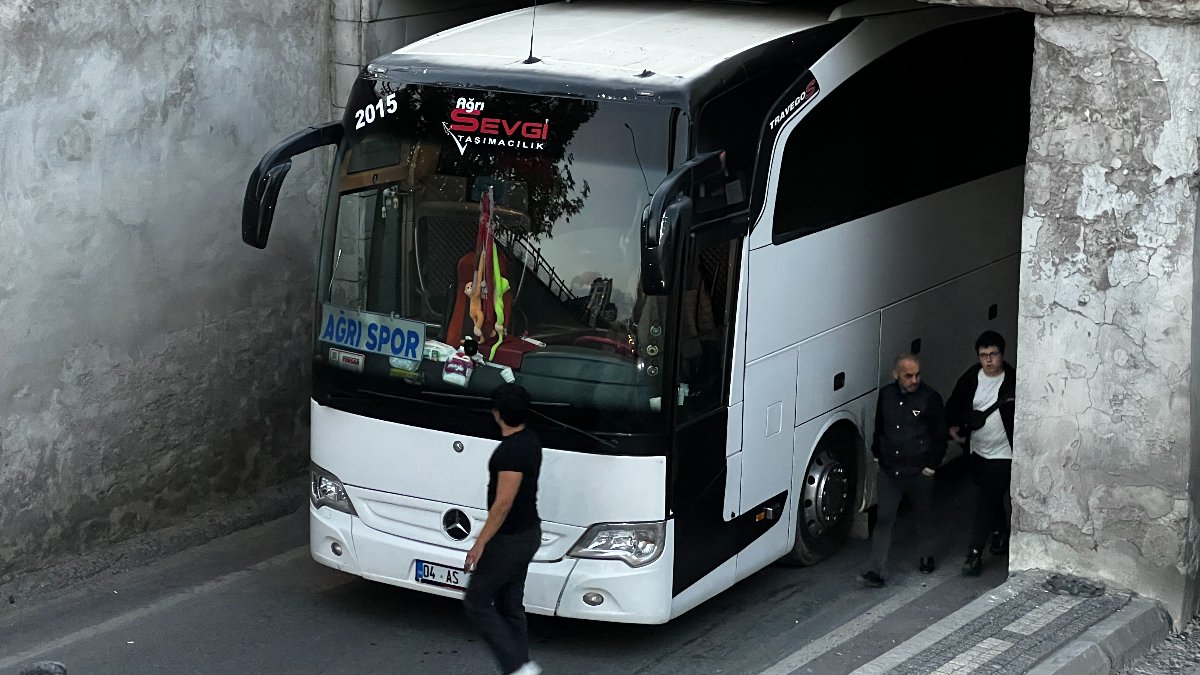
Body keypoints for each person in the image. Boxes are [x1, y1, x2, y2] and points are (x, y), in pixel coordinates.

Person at [463, 384, 543, 675]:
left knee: (477, 601)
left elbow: (503, 504)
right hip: (528, 534)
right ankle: (521, 666)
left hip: (509, 540)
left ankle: (517, 665)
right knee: (510, 604)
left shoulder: (510, 452)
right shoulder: (531, 440)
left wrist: (479, 543)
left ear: (497, 414)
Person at [860, 354, 947, 587]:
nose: (914, 380)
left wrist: (931, 466)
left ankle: (927, 556)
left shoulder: (930, 399)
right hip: (890, 470)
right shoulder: (886, 396)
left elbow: (940, 435)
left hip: (918, 470)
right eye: (908, 376)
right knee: (885, 518)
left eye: (917, 374)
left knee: (923, 515)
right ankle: (875, 570)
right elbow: (880, 426)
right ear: (896, 375)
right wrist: (877, 453)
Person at [947, 330, 1016, 577]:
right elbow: (955, 406)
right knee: (991, 494)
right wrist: (954, 429)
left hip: (1003, 453)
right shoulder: (970, 379)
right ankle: (999, 533)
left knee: (986, 499)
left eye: (993, 354)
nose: (988, 360)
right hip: (977, 450)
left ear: (1001, 355)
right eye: (983, 355)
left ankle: (974, 553)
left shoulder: (1012, 382)